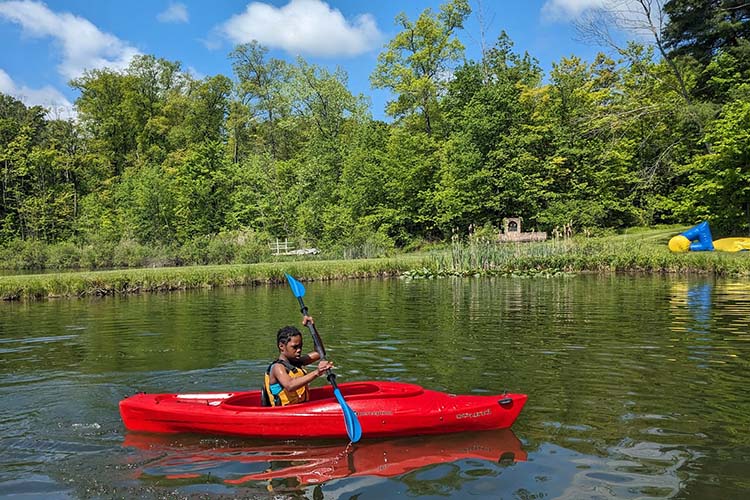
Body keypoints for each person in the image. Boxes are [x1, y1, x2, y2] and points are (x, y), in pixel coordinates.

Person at [261, 316, 333, 407]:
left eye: (300, 346)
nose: (299, 350)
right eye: (295, 347)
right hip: (284, 413)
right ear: (281, 346)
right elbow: (290, 385)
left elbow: (320, 352)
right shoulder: (277, 367)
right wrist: (317, 372)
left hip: (300, 408)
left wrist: (312, 327)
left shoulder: (297, 362)